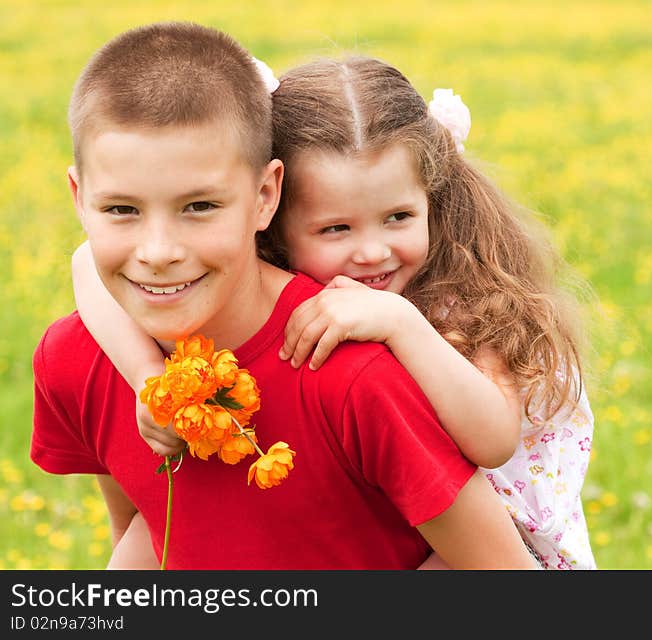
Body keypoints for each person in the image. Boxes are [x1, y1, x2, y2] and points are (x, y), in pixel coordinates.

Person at [32, 21, 538, 570]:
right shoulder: (75, 361)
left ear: (265, 197)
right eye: (121, 209)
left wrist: (402, 323)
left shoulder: (361, 366)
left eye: (199, 206)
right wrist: (150, 381)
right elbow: (142, 527)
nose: (157, 252)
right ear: (80, 201)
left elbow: (503, 549)